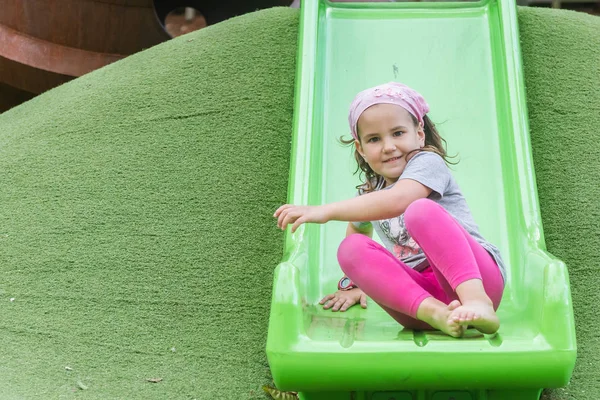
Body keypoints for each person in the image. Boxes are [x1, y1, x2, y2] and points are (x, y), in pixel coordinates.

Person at [274, 82, 505, 337]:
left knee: (420, 210)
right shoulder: (369, 194)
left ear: (419, 133)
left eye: (398, 133)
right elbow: (357, 233)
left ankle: (477, 304)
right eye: (374, 139)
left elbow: (399, 199)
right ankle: (437, 314)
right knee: (349, 249)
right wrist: (358, 285)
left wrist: (326, 211)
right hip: (419, 303)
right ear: (360, 148)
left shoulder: (428, 163)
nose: (388, 146)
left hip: (477, 279)